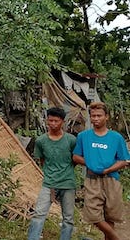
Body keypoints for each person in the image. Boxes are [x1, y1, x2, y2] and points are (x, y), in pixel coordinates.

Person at [72, 102, 130, 240]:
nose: (96, 119)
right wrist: (90, 164)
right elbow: (75, 156)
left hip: (112, 179)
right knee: (93, 215)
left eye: (99, 116)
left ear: (107, 117)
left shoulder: (116, 138)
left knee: (111, 215)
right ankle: (116, 237)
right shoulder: (83, 136)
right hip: (92, 179)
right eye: (93, 116)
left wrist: (108, 169)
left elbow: (124, 160)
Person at [27, 107, 77, 240]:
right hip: (49, 183)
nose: (53, 124)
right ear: (46, 121)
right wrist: (51, 173)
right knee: (39, 214)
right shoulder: (41, 141)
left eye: (56, 121)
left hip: (68, 183)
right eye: (50, 121)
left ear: (63, 122)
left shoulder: (71, 140)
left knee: (68, 217)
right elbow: (42, 160)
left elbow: (75, 159)